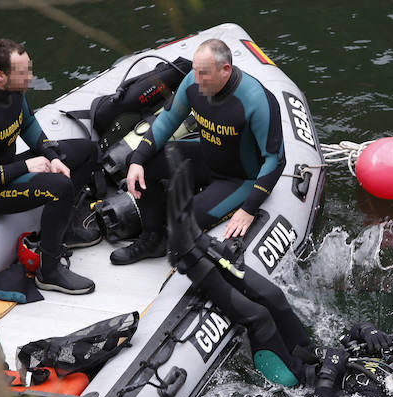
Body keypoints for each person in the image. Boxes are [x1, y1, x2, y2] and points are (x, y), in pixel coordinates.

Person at [164, 149, 393, 397]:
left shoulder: (391, 390)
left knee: (259, 317)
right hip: (308, 359)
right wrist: (366, 330)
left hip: (291, 381)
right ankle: (202, 245)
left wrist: (331, 366)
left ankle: (190, 260)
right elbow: (350, 338)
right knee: (274, 298)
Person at [111, 38, 286, 265]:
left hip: (239, 179)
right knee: (142, 161)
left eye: (204, 73)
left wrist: (249, 208)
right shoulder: (192, 83)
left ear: (226, 70)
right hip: (206, 158)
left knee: (181, 223)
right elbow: (168, 119)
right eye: (195, 71)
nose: (197, 79)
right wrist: (137, 159)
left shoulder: (256, 100)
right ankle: (152, 239)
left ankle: (170, 234)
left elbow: (276, 159)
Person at [0, 38, 98, 295]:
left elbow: (27, 124)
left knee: (87, 151)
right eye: (23, 72)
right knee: (60, 187)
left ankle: (66, 229)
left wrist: (52, 155)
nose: (30, 76)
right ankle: (48, 271)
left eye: (29, 67)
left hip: (6, 169)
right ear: (0, 76)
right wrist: (27, 166)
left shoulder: (14, 93)